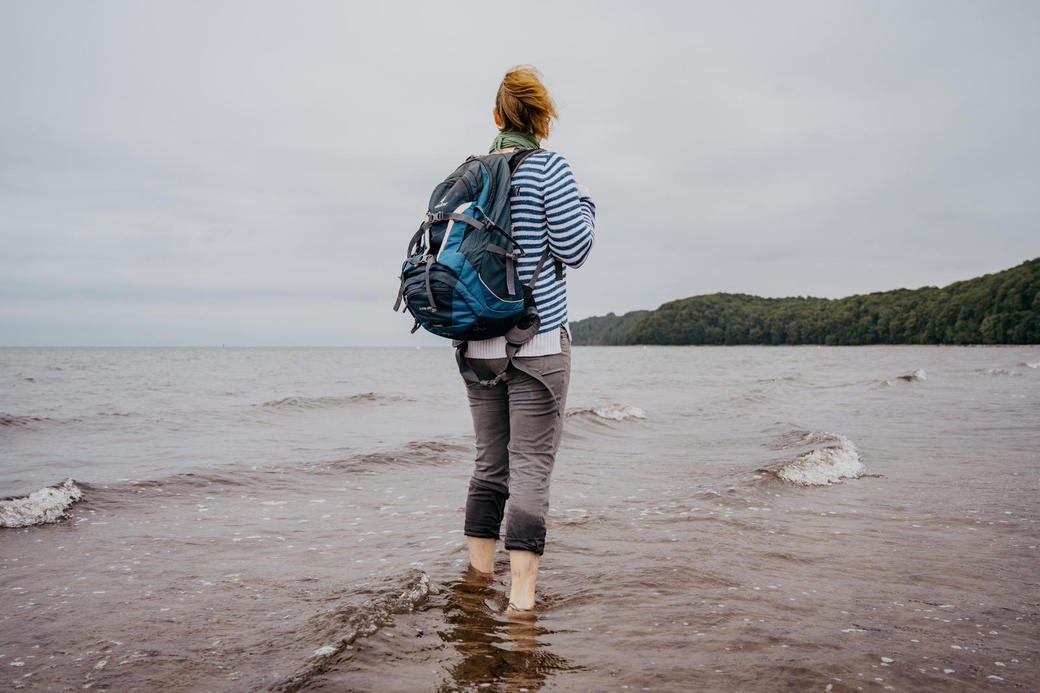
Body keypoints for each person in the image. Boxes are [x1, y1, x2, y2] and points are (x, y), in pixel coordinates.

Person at [461, 65, 596, 613]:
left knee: (488, 466)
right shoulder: (550, 169)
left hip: (474, 343)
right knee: (531, 469)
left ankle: (474, 587)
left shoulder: (470, 174)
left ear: (496, 116)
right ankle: (520, 604)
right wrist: (586, 204)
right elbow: (576, 250)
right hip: (538, 343)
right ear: (543, 118)